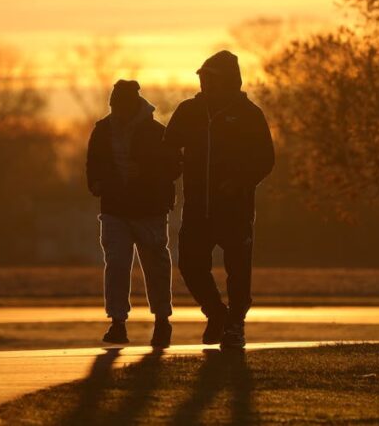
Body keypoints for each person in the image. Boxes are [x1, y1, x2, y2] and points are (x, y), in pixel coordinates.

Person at [163, 50, 275, 349]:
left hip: (235, 209)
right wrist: (167, 171)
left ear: (229, 81)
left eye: (212, 79)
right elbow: (168, 149)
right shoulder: (188, 111)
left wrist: (239, 182)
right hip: (197, 208)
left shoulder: (250, 114)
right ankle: (216, 313)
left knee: (238, 271)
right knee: (190, 264)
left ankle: (235, 325)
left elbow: (266, 158)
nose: (205, 84)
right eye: (202, 78)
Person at [86, 79, 181, 348]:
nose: (116, 113)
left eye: (120, 107)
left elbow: (174, 167)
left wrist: (146, 174)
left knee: (155, 266)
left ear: (132, 106)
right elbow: (92, 163)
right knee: (117, 265)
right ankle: (118, 323)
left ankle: (162, 321)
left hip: (148, 209)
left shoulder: (156, 132)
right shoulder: (103, 130)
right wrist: (96, 184)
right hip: (115, 209)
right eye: (114, 107)